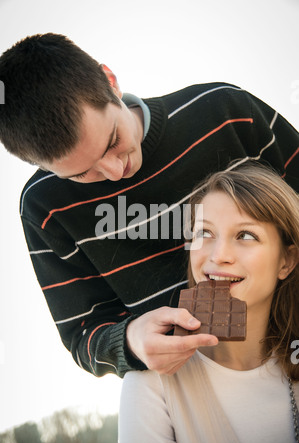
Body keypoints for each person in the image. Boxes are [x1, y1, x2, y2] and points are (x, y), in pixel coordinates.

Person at [0, 33, 298, 379]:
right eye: (82, 173)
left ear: (110, 82)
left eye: (113, 141)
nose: (114, 171)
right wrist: (129, 341)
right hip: (191, 390)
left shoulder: (225, 112)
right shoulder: (43, 207)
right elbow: (83, 334)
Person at [119, 162, 299, 443]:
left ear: (286, 261)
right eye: (204, 233)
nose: (219, 255)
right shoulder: (152, 384)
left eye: (246, 236)